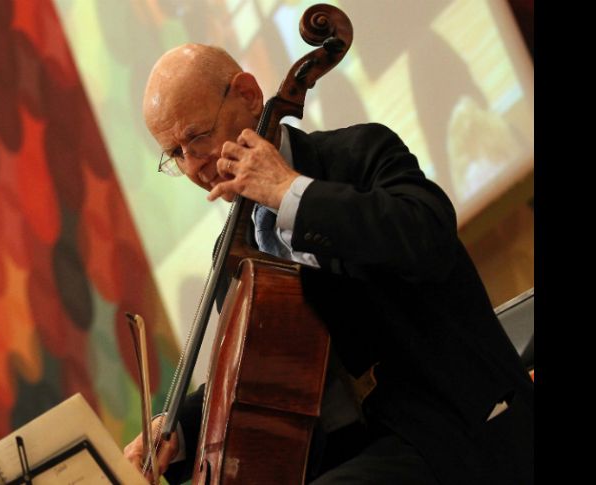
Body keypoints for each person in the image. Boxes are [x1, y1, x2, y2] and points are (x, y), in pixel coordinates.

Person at [124, 43, 533, 484]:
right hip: (343, 458)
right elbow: (256, 374)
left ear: (247, 94)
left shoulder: (358, 154)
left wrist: (289, 192)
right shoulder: (232, 251)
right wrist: (176, 431)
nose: (194, 165)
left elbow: (428, 236)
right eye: (176, 153)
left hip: (449, 425)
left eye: (199, 136)